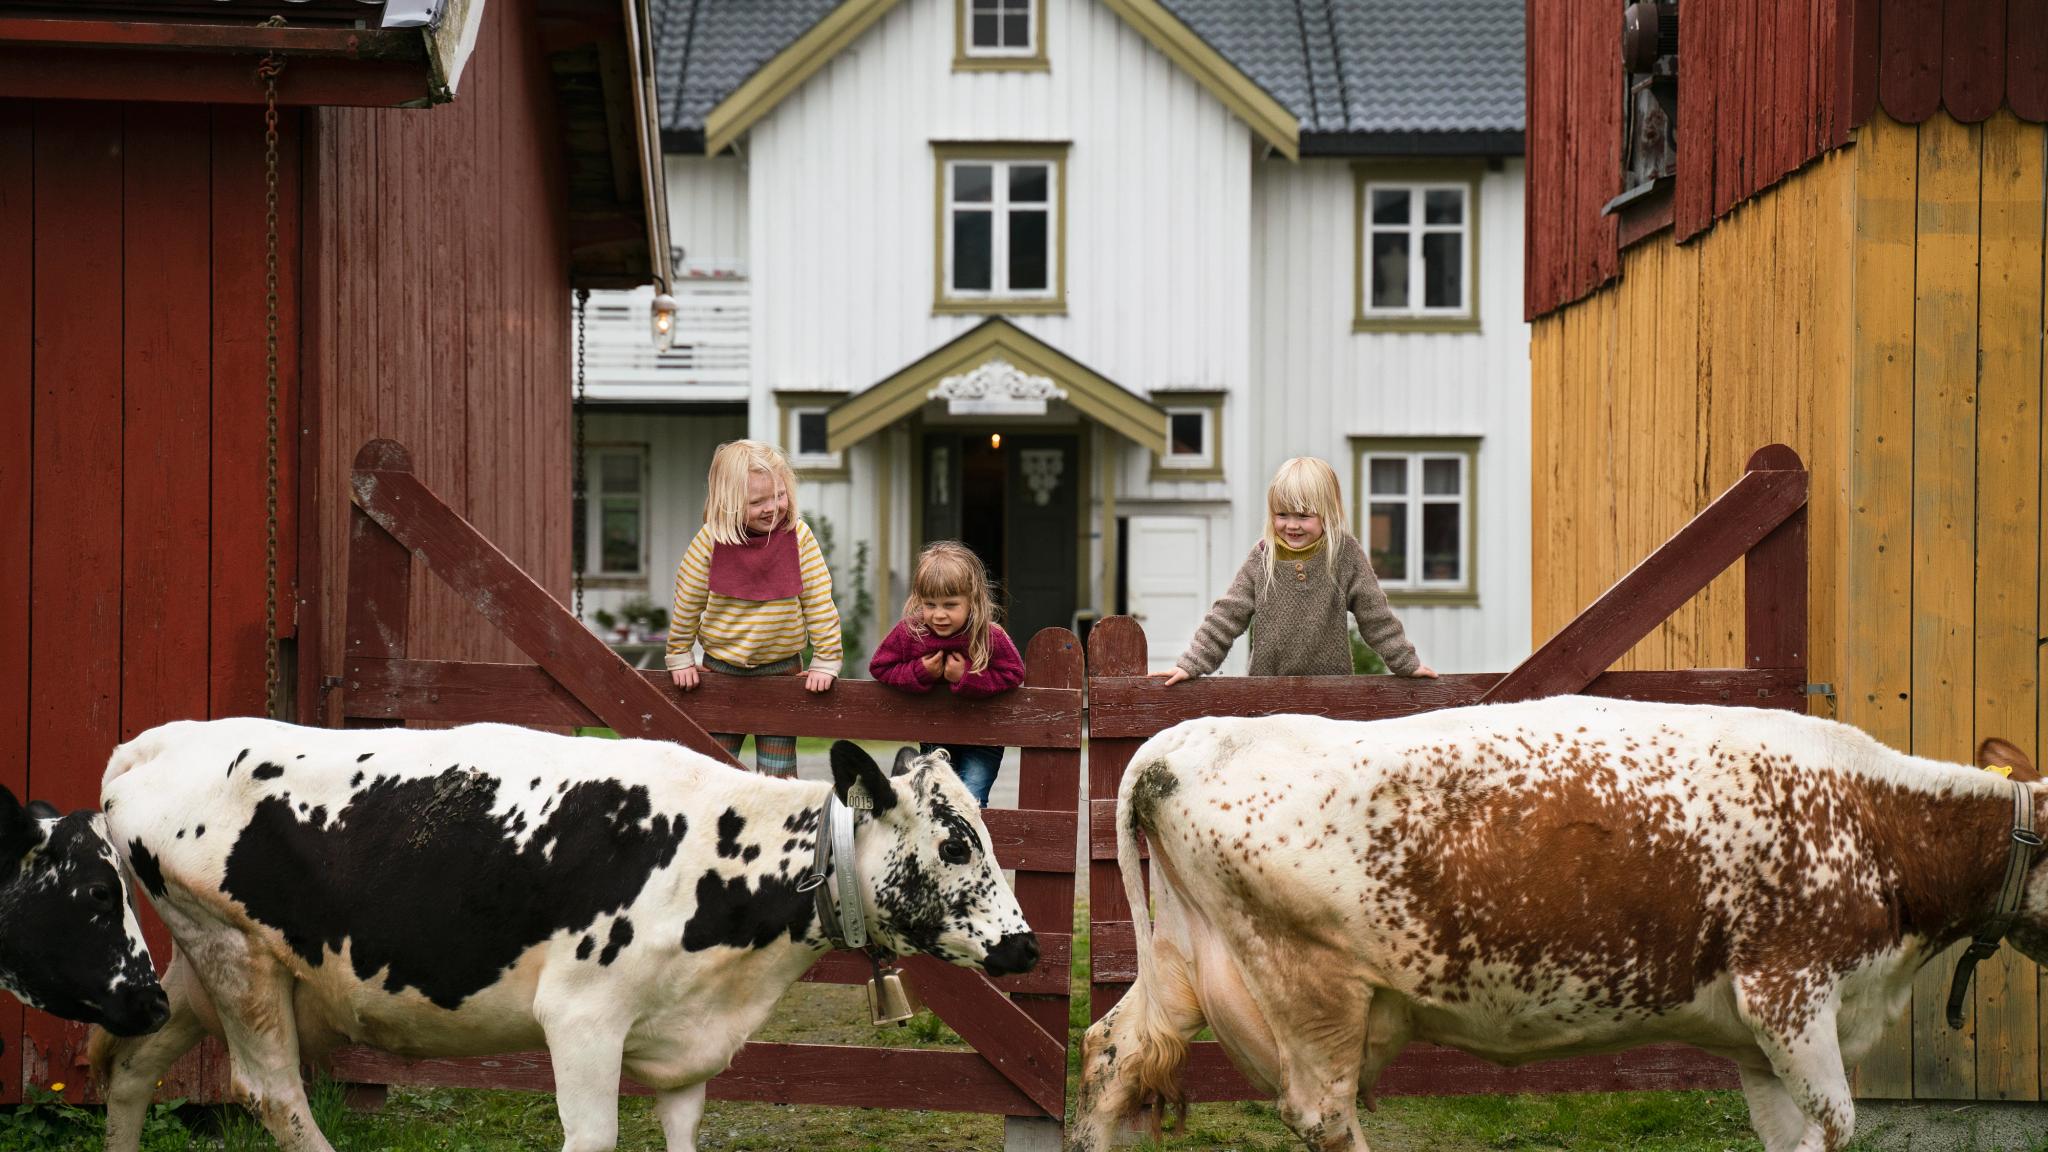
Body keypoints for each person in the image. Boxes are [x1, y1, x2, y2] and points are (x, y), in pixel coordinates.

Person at [1155, 456, 1438, 685]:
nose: (1291, 525)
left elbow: (1375, 616)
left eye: (1303, 516)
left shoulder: (1344, 555)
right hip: (1268, 690)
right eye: (1282, 515)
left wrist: (1406, 663)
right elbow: (1226, 616)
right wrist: (1191, 664)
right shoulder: (1263, 558)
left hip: (1332, 692)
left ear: (1327, 514)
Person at [666, 440, 840, 776]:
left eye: (779, 495)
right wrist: (679, 654)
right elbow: (688, 599)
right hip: (721, 671)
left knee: (778, 775)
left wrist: (826, 659)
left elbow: (819, 600)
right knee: (713, 770)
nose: (772, 508)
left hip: (782, 672)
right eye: (757, 502)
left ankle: (776, 810)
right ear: (728, 504)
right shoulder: (711, 541)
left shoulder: (799, 537)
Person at [868, 541, 1025, 807]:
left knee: (971, 802)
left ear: (972, 601)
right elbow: (880, 667)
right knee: (934, 803)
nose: (939, 615)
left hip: (983, 738)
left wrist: (966, 676)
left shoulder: (988, 635)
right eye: (930, 604)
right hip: (936, 732)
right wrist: (921, 671)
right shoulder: (912, 632)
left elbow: (1014, 673)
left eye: (950, 605)